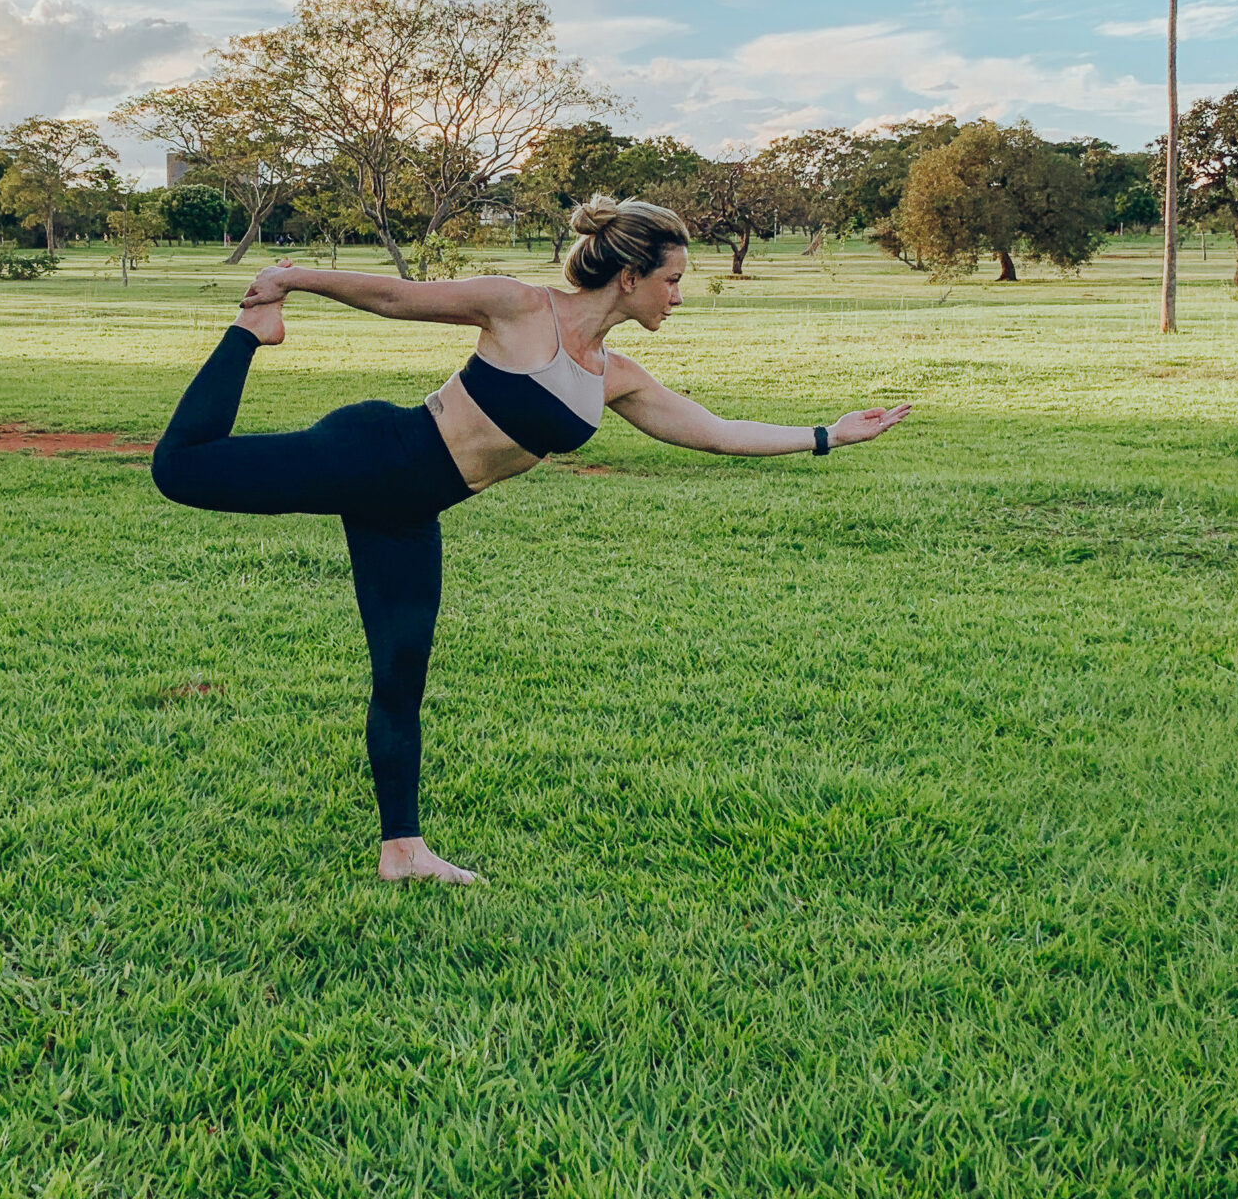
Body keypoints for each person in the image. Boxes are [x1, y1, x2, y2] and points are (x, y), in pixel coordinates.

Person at [150, 196, 911, 884]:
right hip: (374, 453)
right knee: (180, 470)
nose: (679, 297)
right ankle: (250, 330)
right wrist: (292, 279)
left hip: (411, 511)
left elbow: (714, 433)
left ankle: (402, 851)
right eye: (672, 280)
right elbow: (394, 296)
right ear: (629, 277)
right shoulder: (518, 308)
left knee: (401, 674)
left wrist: (826, 435)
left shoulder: (615, 376)